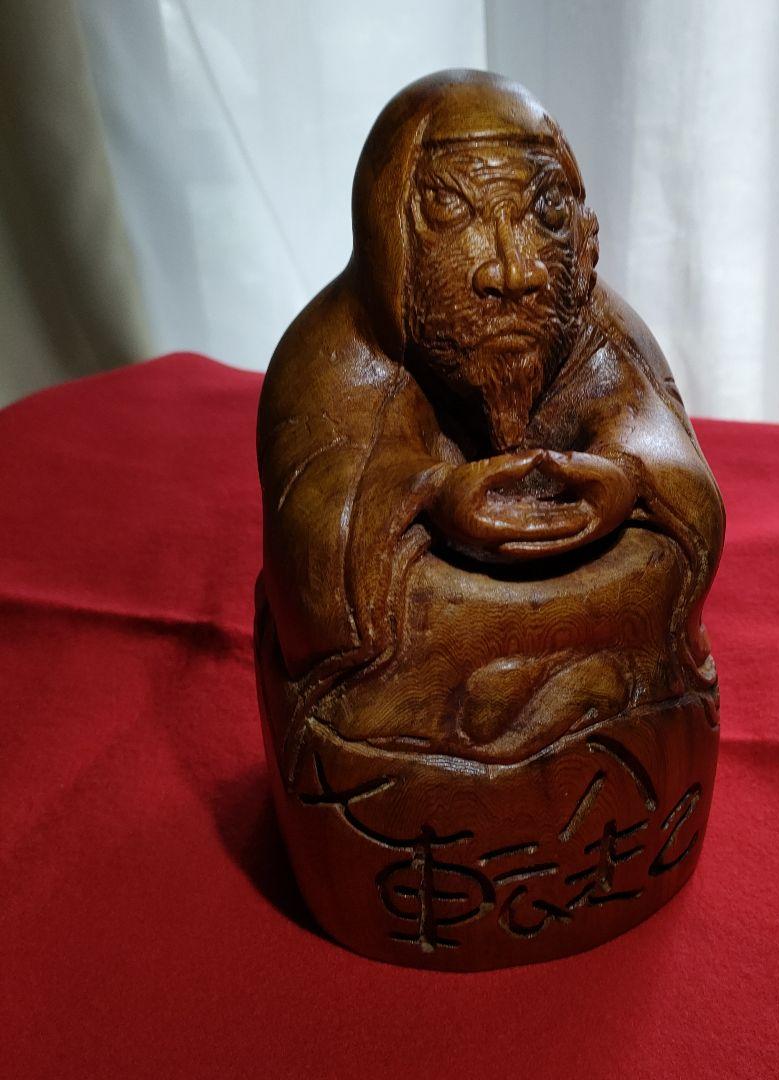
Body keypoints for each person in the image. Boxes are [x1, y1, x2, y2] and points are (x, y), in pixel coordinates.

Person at [256, 70, 724, 784]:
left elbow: (675, 462)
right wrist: (427, 493)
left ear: (582, 233)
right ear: (388, 230)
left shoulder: (587, 323)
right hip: (421, 808)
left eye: (543, 212)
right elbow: (314, 578)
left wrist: (626, 474)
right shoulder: (335, 354)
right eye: (452, 211)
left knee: (659, 579)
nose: (513, 270)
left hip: (617, 775)